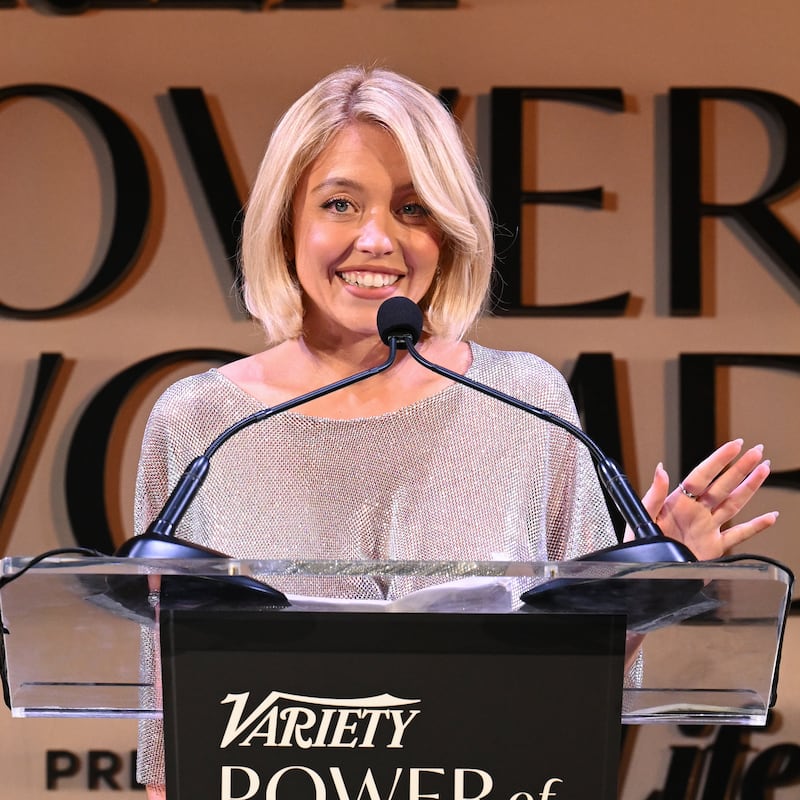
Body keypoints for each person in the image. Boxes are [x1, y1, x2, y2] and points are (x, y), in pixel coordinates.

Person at [133, 66, 778, 798]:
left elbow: (584, 678)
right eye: (340, 203)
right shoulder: (200, 421)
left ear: (449, 230)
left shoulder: (524, 399)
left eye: (413, 208)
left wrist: (652, 584)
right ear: (286, 222)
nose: (377, 239)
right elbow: (168, 732)